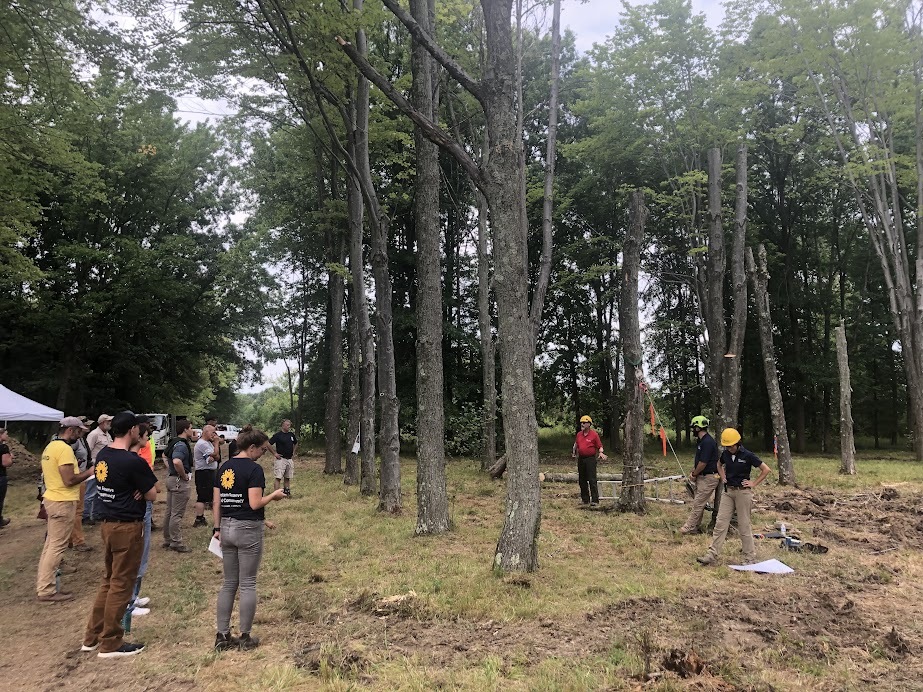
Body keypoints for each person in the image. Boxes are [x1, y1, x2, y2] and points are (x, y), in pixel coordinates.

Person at [82, 411, 158, 658]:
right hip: (127, 526)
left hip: (107, 524)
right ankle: (111, 642)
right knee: (121, 585)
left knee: (108, 581)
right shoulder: (132, 461)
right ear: (133, 430)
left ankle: (92, 637)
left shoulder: (104, 455)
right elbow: (152, 494)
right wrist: (138, 489)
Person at [213, 425, 286, 651]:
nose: (263, 454)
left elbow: (217, 502)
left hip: (226, 527)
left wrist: (217, 527)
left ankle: (222, 635)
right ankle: (245, 636)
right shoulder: (253, 470)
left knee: (228, 583)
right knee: (247, 583)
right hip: (248, 529)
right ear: (252, 447)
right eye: (262, 450)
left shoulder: (224, 467)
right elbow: (255, 503)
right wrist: (273, 495)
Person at [36, 417, 96, 602]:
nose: (80, 436)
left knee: (51, 545)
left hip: (52, 498)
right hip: (62, 501)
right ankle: (47, 590)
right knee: (56, 546)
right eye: (79, 432)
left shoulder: (50, 446)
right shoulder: (64, 449)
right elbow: (69, 480)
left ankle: (44, 585)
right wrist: (90, 471)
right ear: (70, 430)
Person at [697, 428, 771, 566]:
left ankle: (749, 557)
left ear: (738, 443)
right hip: (728, 492)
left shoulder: (748, 455)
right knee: (720, 523)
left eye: (731, 445)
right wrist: (722, 476)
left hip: (743, 493)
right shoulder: (725, 454)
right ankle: (711, 555)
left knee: (744, 525)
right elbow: (718, 465)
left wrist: (753, 483)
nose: (729, 448)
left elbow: (766, 469)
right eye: (727, 446)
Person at [679, 415, 721, 535]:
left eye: (693, 427)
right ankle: (695, 526)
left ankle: (689, 527)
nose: (692, 430)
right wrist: (695, 471)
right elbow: (699, 461)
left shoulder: (707, 442)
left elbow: (703, 463)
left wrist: (694, 474)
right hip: (703, 476)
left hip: (709, 477)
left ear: (698, 428)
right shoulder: (702, 442)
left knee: (698, 503)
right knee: (699, 502)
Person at [162, 420, 195, 552]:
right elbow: (176, 461)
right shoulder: (181, 445)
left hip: (171, 479)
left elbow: (165, 455)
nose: (192, 431)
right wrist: (183, 475)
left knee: (169, 512)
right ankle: (176, 542)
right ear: (185, 430)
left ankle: (168, 539)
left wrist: (169, 468)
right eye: (191, 428)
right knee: (176, 514)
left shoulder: (173, 442)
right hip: (178, 481)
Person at [69, 420, 94, 552]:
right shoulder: (73, 442)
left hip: (81, 476)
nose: (87, 428)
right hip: (77, 477)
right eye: (84, 426)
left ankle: (69, 540)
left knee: (75, 510)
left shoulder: (81, 440)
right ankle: (78, 541)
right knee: (77, 511)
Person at [571, 415, 607, 507]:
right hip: (581, 459)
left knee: (592, 479)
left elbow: (600, 446)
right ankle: (585, 499)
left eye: (584, 423)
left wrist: (601, 452)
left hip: (590, 459)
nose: (582, 424)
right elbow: (576, 444)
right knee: (582, 480)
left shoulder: (594, 434)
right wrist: (574, 452)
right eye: (581, 423)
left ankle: (595, 500)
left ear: (589, 424)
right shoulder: (579, 434)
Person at [84, 414, 113, 525]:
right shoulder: (94, 434)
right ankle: (85, 515)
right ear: (101, 422)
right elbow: (88, 450)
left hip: (104, 467)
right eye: (108, 422)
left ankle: (97, 514)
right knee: (90, 491)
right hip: (96, 466)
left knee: (99, 491)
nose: (110, 423)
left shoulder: (107, 435)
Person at [193, 425, 221, 527]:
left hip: (209, 471)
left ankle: (210, 518)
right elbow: (214, 455)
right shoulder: (202, 444)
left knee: (212, 495)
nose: (214, 435)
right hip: (203, 472)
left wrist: (214, 454)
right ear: (206, 432)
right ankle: (199, 518)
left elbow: (216, 456)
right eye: (213, 432)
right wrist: (216, 444)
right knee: (202, 496)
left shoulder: (208, 443)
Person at [269, 420, 298, 497]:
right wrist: (274, 453)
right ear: (283, 425)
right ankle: (276, 494)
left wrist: (293, 452)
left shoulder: (291, 435)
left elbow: (296, 443)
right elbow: (268, 444)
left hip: (289, 459)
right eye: (287, 425)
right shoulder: (278, 435)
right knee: (278, 477)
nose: (289, 426)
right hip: (281, 459)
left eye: (289, 425)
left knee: (287, 477)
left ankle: (286, 492)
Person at [0, 428, 13, 527]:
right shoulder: (3, 447)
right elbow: (6, 463)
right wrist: (11, 458)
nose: (7, 436)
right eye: (6, 434)